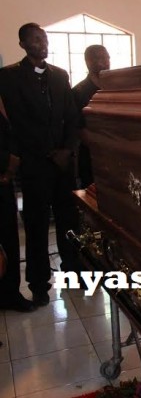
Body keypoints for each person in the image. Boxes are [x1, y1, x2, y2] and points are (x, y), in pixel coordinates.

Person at [0, 23, 81, 306]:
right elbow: (15, 123)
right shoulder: (8, 77)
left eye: (44, 38)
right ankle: (38, 282)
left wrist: (68, 150)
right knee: (35, 226)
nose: (42, 42)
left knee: (69, 220)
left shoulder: (60, 75)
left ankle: (73, 271)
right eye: (35, 39)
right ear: (22, 44)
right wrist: (48, 152)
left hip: (62, 164)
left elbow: (71, 117)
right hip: (34, 164)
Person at [0, 100, 35, 312]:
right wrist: (6, 161)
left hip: (5, 179)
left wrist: (11, 168)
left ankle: (10, 294)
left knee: (9, 237)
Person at [72, 44, 110, 189]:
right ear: (88, 61)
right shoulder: (78, 92)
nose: (104, 62)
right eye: (99, 58)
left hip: (117, 151)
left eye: (106, 57)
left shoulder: (116, 87)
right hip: (92, 155)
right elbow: (80, 128)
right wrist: (101, 148)